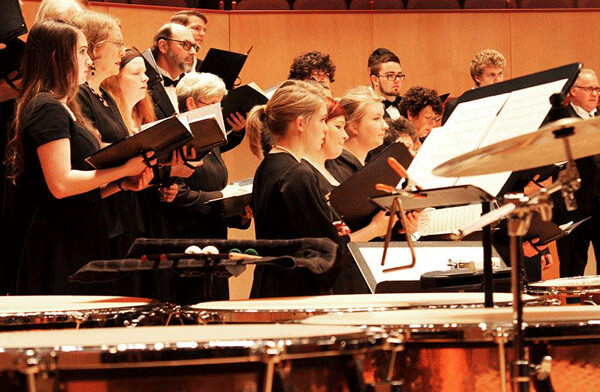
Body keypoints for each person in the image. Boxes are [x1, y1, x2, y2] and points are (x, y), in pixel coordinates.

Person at [5, 19, 154, 295]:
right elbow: (61, 185)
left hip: (78, 235)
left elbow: (78, 192)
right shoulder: (46, 108)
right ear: (56, 57)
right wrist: (123, 170)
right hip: (57, 243)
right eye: (82, 52)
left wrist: (121, 185)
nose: (89, 60)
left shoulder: (64, 105)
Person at [247, 80, 352, 297]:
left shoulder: (267, 165)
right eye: (322, 120)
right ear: (301, 123)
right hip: (296, 294)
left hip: (269, 288)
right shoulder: (298, 175)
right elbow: (325, 254)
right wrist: (339, 236)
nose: (325, 128)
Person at [553, 68, 600, 277]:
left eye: (597, 89)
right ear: (573, 91)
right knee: (572, 270)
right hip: (573, 209)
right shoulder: (559, 119)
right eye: (589, 88)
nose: (595, 94)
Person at [325, 86, 388, 183]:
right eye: (376, 118)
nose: (385, 126)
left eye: (383, 117)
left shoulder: (364, 166)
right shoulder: (338, 171)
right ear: (354, 126)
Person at [147, 23, 198, 119]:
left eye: (194, 47)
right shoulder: (143, 84)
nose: (193, 52)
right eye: (185, 45)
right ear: (163, 46)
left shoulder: (194, 86)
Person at [442, 49, 506, 124]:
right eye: (491, 75)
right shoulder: (455, 105)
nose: (497, 80)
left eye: (500, 74)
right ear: (477, 78)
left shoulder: (508, 101)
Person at [368, 48, 405, 120]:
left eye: (399, 75)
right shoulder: (365, 108)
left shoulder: (407, 106)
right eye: (390, 76)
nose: (397, 80)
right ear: (375, 80)